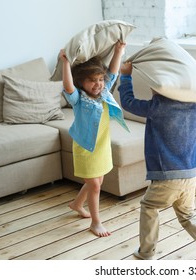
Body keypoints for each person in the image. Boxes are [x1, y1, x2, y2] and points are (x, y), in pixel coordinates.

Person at [118, 61, 196, 260]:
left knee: (149, 207)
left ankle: (146, 252)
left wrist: (126, 76)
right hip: (190, 173)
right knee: (188, 215)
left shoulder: (158, 106)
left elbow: (127, 102)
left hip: (168, 176)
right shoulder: (191, 104)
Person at [60, 41, 128, 237]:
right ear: (81, 82)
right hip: (85, 147)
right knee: (95, 185)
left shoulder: (104, 91)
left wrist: (118, 51)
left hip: (102, 145)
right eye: (92, 80)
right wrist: (65, 63)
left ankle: (76, 204)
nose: (98, 84)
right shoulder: (79, 100)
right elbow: (68, 87)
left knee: (96, 181)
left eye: (100, 79)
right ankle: (96, 223)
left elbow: (113, 73)